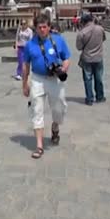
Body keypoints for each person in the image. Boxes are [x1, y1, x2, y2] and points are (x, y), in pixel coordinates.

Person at [22, 14, 71, 159]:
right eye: (39, 27)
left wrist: (63, 69)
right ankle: (39, 146)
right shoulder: (30, 45)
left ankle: (55, 126)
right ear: (35, 28)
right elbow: (26, 66)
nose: (42, 30)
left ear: (49, 27)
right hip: (37, 79)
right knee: (36, 110)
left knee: (59, 108)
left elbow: (66, 58)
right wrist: (24, 84)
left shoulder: (58, 40)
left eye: (45, 27)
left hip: (54, 80)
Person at [76, 13, 106, 106]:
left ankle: (89, 98)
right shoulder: (100, 29)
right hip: (98, 57)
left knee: (88, 79)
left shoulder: (82, 33)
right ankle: (100, 96)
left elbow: (79, 47)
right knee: (99, 78)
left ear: (83, 22)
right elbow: (103, 39)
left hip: (87, 58)